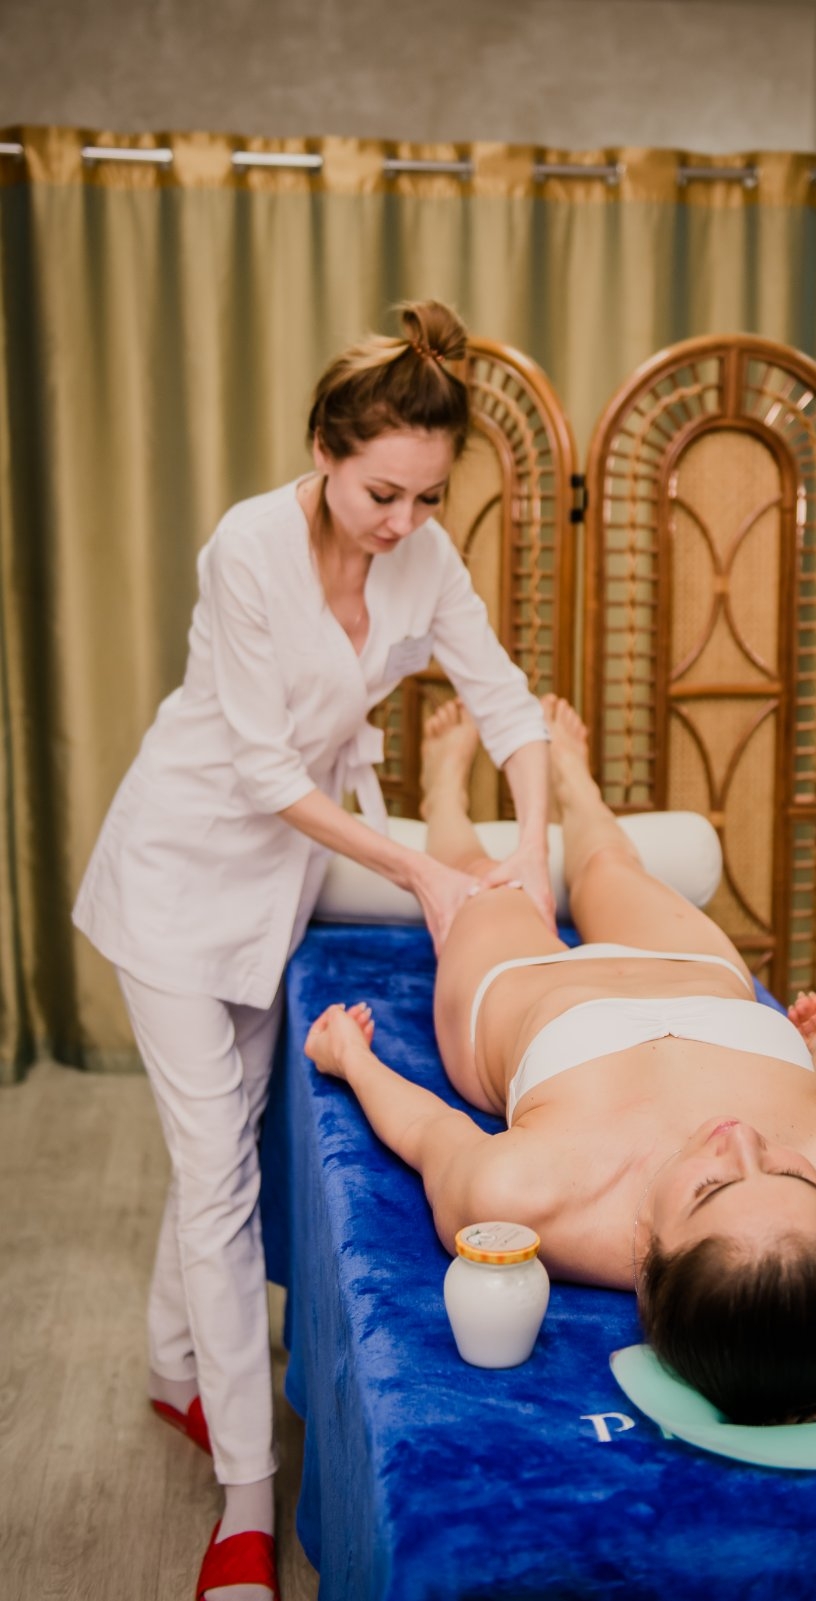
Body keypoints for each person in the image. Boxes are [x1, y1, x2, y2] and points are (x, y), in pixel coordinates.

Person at [72, 302, 552, 1601]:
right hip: (179, 875)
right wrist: (422, 870)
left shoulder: (423, 556)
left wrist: (529, 843)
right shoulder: (246, 547)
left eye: (428, 496)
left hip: (276, 884)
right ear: (324, 452)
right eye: (381, 493)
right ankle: (244, 1499)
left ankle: (173, 1366)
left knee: (218, 1131)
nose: (403, 521)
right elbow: (260, 770)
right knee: (216, 1174)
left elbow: (505, 701)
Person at [306, 696, 816, 1431]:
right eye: (793, 1176)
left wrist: (351, 1060)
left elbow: (432, 1134)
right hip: (696, 971)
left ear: (653, 1267)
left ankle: (443, 789)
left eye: (711, 1188)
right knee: (608, 863)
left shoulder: (530, 1197)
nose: (740, 1139)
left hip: (527, 995)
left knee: (479, 882)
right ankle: (576, 783)